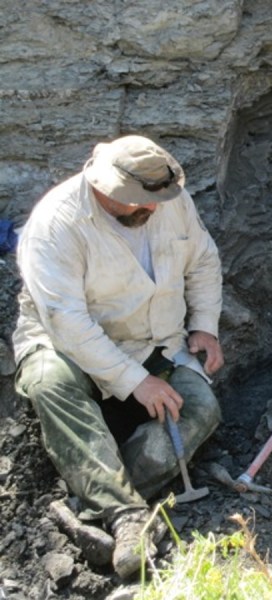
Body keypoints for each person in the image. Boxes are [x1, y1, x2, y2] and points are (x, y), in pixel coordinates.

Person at [12, 135, 224, 579]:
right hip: (66, 344)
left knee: (200, 410)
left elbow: (202, 260)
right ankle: (128, 516)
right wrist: (135, 381)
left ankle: (90, 504)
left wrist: (205, 324)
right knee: (50, 381)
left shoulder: (168, 201)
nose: (157, 211)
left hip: (153, 341)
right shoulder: (57, 224)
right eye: (142, 206)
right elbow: (67, 322)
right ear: (107, 191)